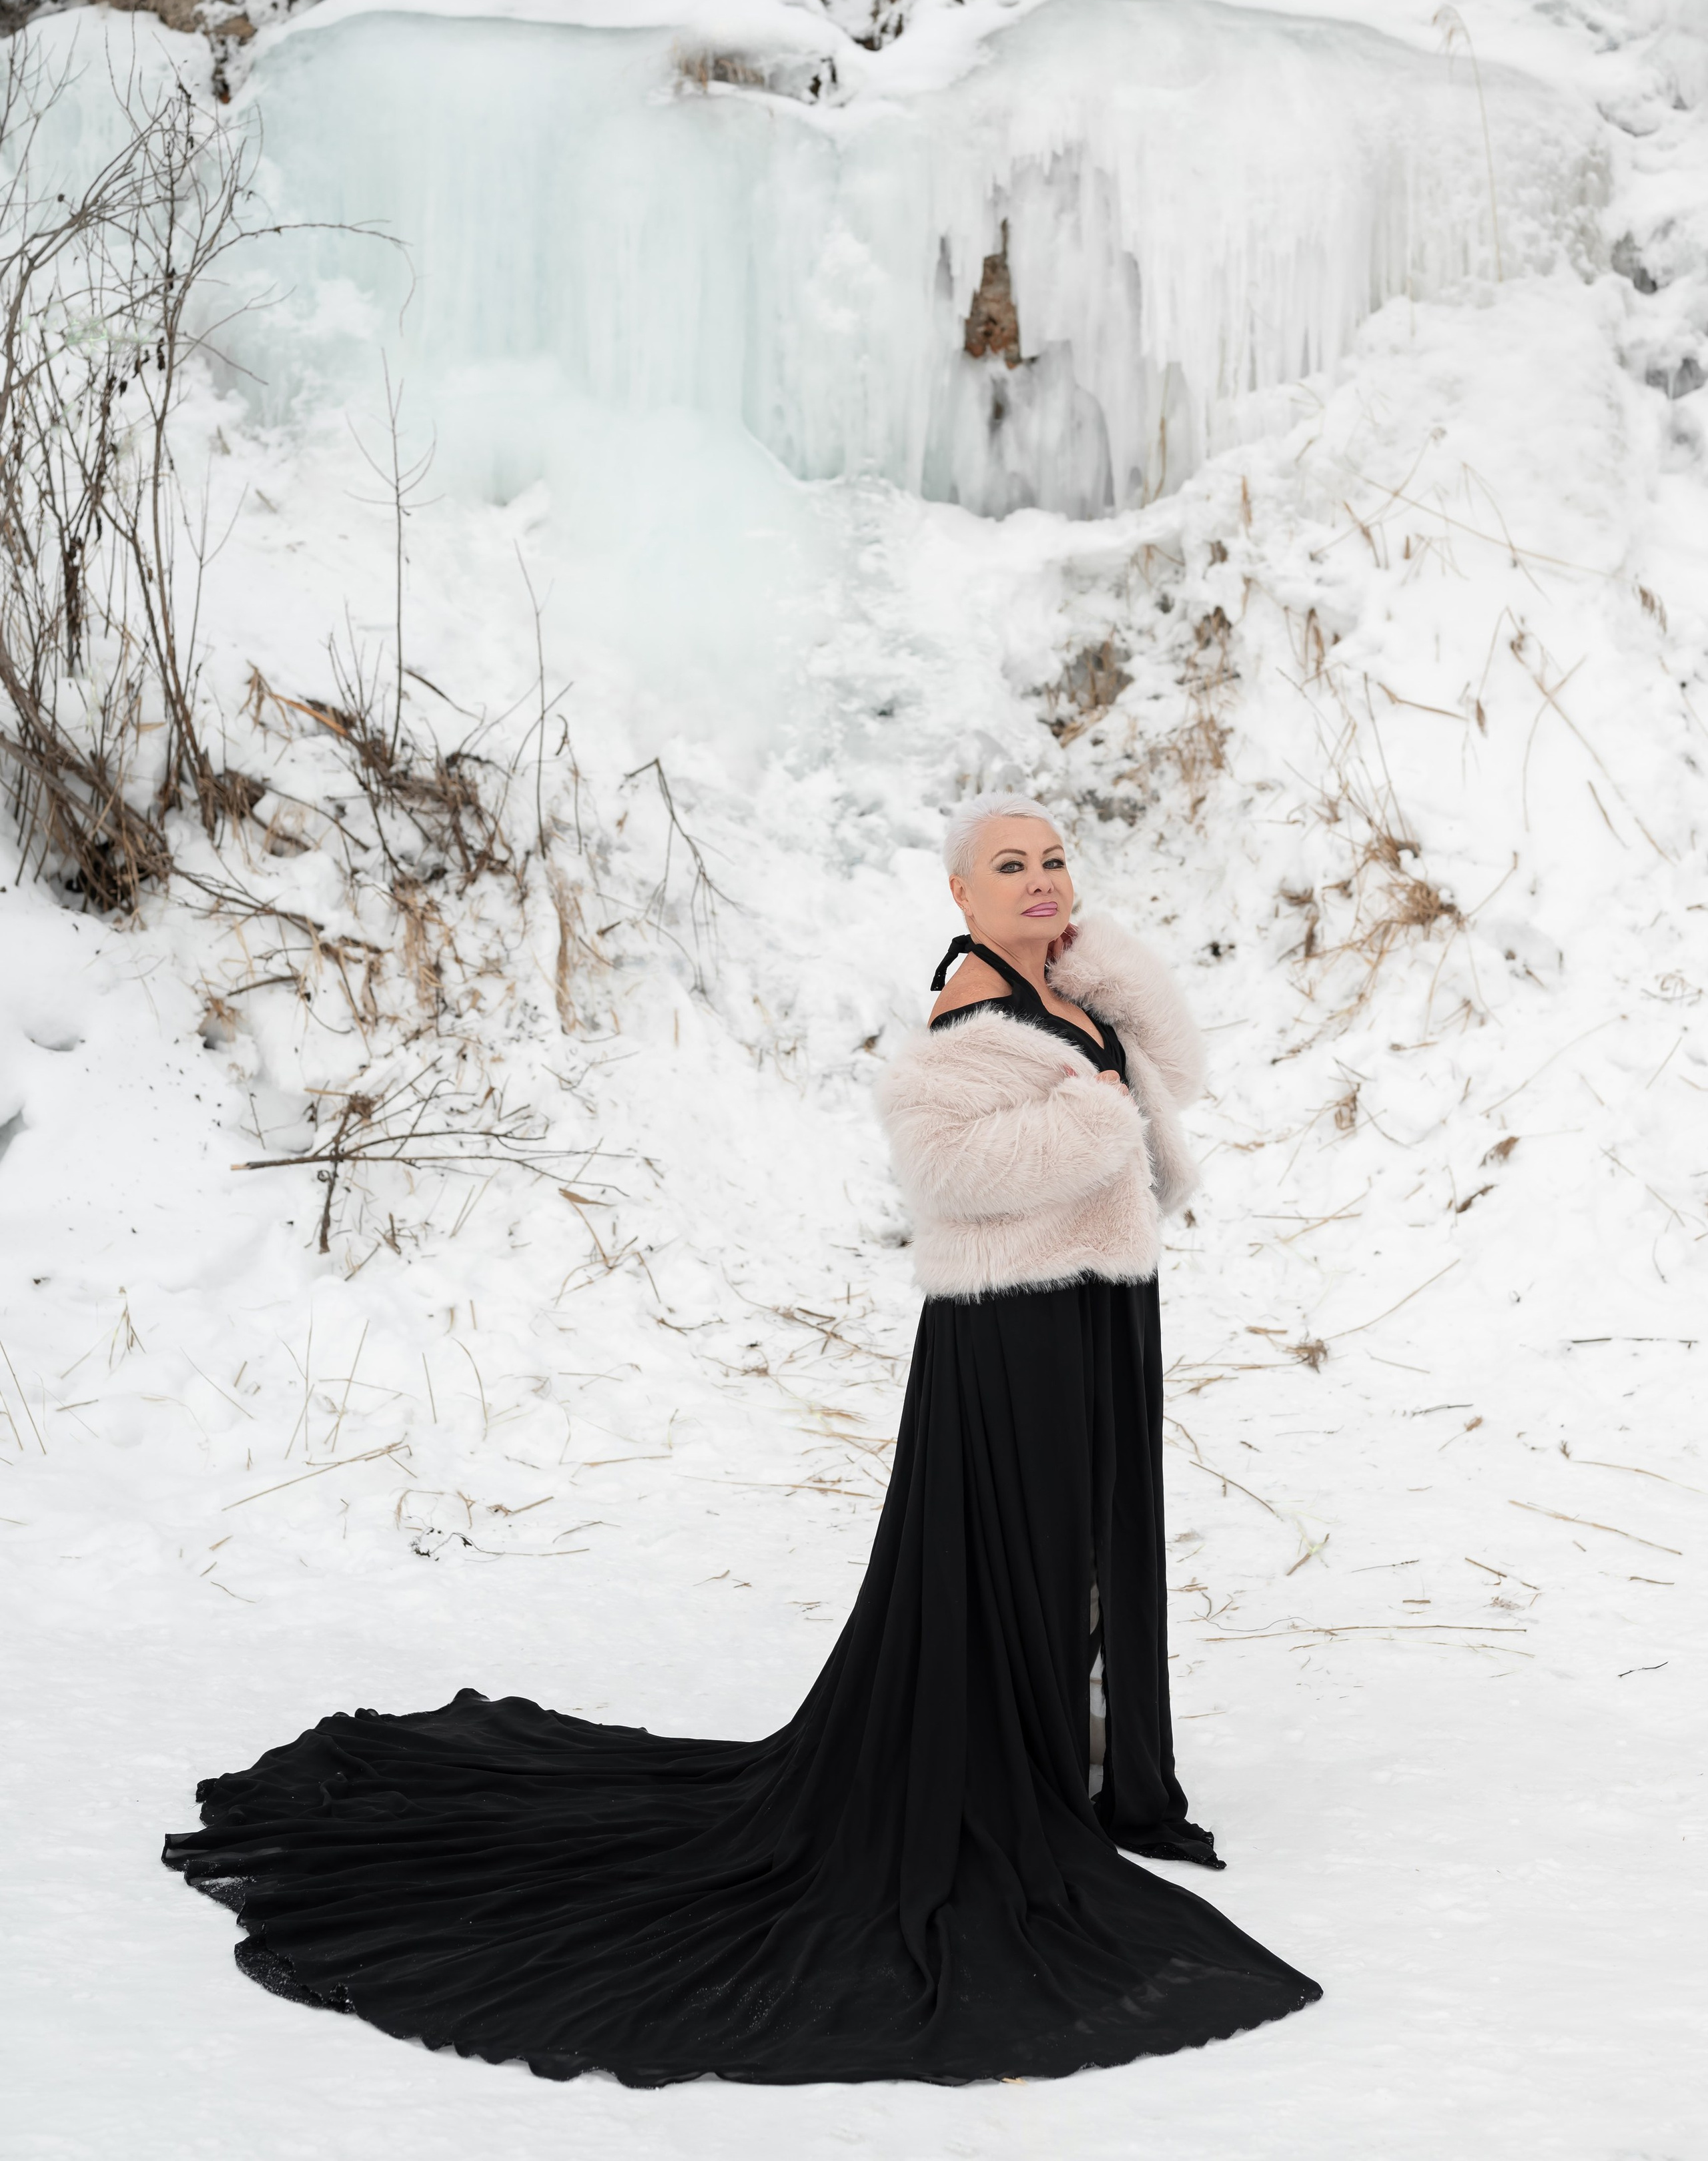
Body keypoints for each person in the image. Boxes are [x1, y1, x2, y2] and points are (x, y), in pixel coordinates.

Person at [163, 792, 1320, 2084]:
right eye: (1010, 866)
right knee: (1030, 1548)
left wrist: (1110, 1000)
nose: (1042, 882)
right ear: (961, 895)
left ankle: (1091, 1757)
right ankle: (1023, 1766)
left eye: (1054, 862)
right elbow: (948, 1173)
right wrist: (1099, 1114)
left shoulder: (1069, 993)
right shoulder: (963, 1016)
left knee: (1094, 1539)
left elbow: (1179, 1077)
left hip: (1100, 1308)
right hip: (1015, 1327)